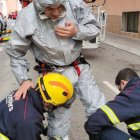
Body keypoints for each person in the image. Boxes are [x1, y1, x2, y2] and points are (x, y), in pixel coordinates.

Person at [6, 0, 105, 139]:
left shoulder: (74, 4)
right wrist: (24, 79)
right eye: (50, 8)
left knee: (99, 110)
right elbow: (14, 52)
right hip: (53, 75)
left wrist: (77, 31)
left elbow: (95, 29)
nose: (56, 12)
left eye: (60, 7)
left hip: (79, 67)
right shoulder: (27, 17)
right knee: (58, 122)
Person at [0, 73, 75, 140]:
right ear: (47, 103)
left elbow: (15, 120)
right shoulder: (29, 121)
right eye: (57, 106)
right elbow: (25, 123)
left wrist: (39, 128)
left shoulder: (21, 92)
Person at [85, 68, 140, 140]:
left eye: (120, 90)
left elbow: (92, 123)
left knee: (101, 130)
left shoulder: (130, 95)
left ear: (123, 83)